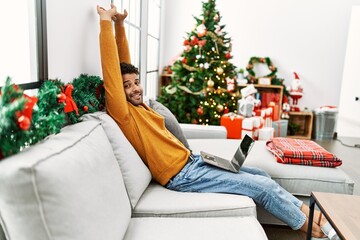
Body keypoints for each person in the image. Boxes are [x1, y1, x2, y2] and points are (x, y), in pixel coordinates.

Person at [96, 4, 336, 239]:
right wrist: (106, 22)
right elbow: (112, 72)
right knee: (263, 188)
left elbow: (122, 66)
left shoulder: (140, 105)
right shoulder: (124, 114)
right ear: (117, 91)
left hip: (193, 161)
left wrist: (120, 24)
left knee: (261, 174)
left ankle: (308, 213)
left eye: (136, 82)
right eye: (126, 86)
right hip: (182, 176)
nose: (135, 88)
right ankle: (309, 225)